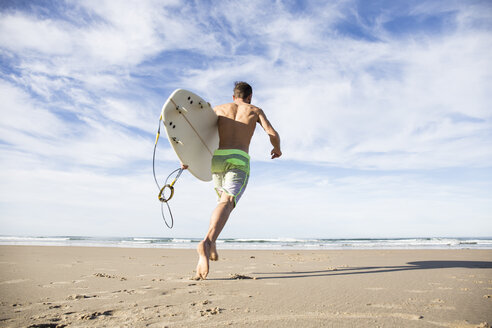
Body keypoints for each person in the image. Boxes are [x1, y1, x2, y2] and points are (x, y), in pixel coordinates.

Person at [189, 81, 282, 280]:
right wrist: (277, 148)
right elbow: (272, 133)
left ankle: (212, 242)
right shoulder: (255, 110)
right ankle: (206, 242)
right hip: (238, 159)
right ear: (250, 97)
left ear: (234, 97)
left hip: (218, 159)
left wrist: (186, 160)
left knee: (221, 202)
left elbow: (196, 136)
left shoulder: (217, 109)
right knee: (227, 202)